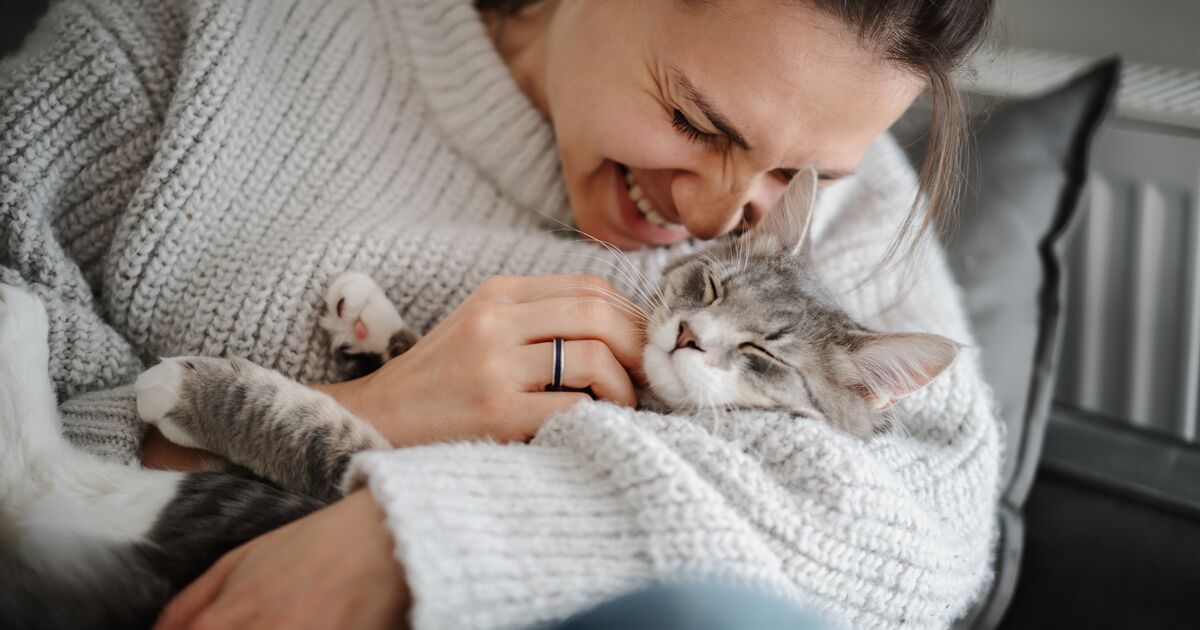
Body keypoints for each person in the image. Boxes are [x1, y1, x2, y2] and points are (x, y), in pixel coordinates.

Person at [0, 0, 999, 628]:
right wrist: (384, 411)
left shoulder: (858, 212)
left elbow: (922, 531)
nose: (711, 222)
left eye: (798, 174)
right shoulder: (204, 31)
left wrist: (433, 535)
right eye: (695, 121)